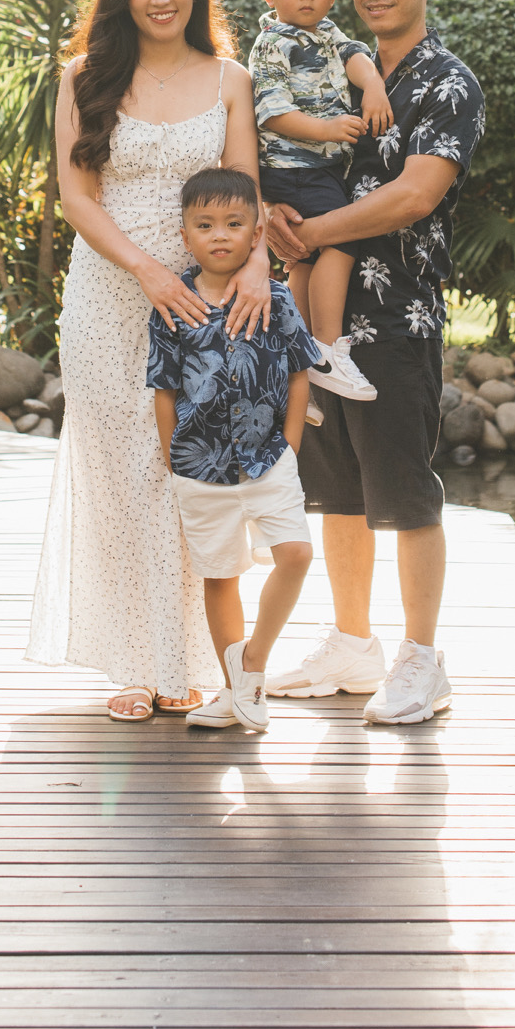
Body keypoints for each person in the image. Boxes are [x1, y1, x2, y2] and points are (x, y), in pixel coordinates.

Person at [26, 0, 271, 722]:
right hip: (108, 297)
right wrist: (146, 269)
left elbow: (247, 192)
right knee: (120, 478)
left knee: (184, 473)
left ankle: (187, 662)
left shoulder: (231, 79)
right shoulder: (84, 77)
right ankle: (134, 664)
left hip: (203, 303)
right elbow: (76, 197)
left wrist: (256, 267)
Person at [265, 0, 484, 726]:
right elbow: (277, 146)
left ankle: (422, 659)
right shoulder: (324, 63)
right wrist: (273, 214)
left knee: (405, 490)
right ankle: (352, 643)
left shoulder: (447, 84)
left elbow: (414, 195)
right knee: (337, 489)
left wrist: (314, 230)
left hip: (395, 317)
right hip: (314, 323)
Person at [147, 167, 318, 731]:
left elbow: (299, 372)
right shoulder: (173, 304)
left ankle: (253, 663)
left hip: (269, 458)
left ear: (255, 233)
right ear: (185, 235)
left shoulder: (274, 298)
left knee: (296, 554)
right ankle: (235, 692)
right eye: (205, 225)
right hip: (199, 465)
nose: (219, 235)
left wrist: (291, 444)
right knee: (220, 574)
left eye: (234, 223)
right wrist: (173, 457)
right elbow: (164, 388)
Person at [248, 0, 390, 400]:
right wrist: (327, 129)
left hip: (320, 169)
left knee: (304, 258)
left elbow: (355, 56)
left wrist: (374, 86)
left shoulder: (328, 33)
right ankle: (329, 349)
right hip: (293, 167)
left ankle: (297, 366)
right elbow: (273, 113)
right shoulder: (273, 43)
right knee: (343, 240)